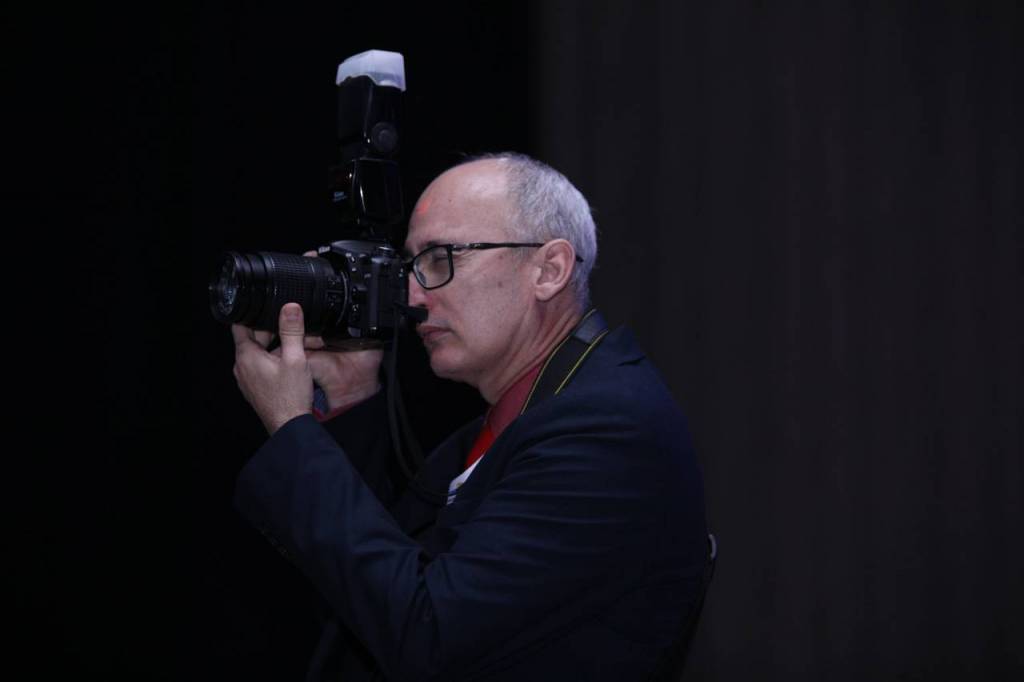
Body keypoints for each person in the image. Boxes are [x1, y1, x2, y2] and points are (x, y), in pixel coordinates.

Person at [230, 153, 709, 681]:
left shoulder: (607, 430)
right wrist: (350, 396)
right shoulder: (520, 416)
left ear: (549, 270)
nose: (413, 295)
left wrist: (293, 428)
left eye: (441, 259)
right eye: (412, 265)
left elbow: (427, 637)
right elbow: (371, 593)